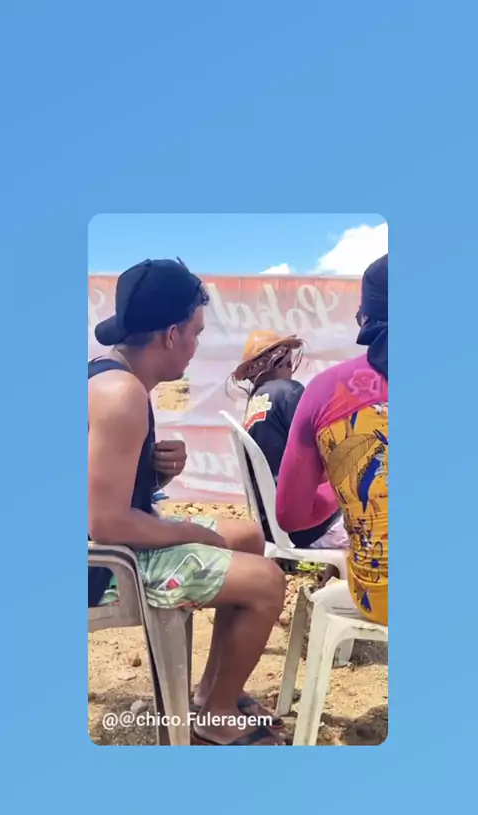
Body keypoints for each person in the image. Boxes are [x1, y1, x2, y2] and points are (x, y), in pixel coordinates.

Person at [88, 258, 287, 745]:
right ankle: (216, 718)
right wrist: (189, 531)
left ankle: (212, 692)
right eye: (196, 333)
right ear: (172, 334)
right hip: (101, 569)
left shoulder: (109, 377)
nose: (197, 345)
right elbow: (106, 522)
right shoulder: (121, 394)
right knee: (266, 582)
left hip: (106, 546)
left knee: (246, 535)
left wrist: (154, 471)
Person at [276, 255, 388, 625]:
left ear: (366, 317)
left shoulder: (325, 391)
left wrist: (345, 488)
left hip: (380, 597)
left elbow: (290, 516)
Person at [229, 330, 349, 556]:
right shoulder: (289, 392)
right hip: (307, 526)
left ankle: (334, 576)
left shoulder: (255, 404)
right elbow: (326, 458)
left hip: (271, 525)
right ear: (281, 359)